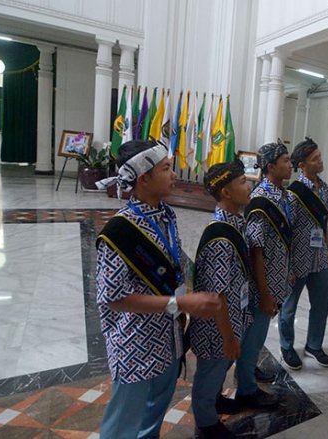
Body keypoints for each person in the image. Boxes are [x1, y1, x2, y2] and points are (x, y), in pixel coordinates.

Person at [95, 140, 221, 438]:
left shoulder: (166, 214)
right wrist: (181, 304)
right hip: (135, 344)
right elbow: (114, 298)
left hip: (168, 337)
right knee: (124, 422)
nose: (174, 173)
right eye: (166, 168)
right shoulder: (119, 231)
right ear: (144, 179)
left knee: (154, 413)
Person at [189, 160, 254, 439]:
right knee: (210, 372)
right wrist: (229, 337)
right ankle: (205, 422)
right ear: (226, 192)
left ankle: (215, 399)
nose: (249, 185)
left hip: (231, 319)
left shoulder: (236, 223)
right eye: (242, 182)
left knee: (219, 368)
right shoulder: (220, 238)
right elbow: (218, 295)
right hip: (218, 326)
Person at [234, 140, 293, 408]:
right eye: (285, 161)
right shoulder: (260, 200)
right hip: (263, 283)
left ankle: (249, 370)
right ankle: (246, 389)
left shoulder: (283, 194)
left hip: (278, 277)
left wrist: (288, 272)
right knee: (254, 335)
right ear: (271, 166)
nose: (290, 165)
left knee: (259, 333)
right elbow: (256, 251)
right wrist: (266, 292)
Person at [279, 137, 328, 369]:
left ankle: (314, 345)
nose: (320, 161)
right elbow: (286, 230)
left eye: (320, 156)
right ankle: (287, 347)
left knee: (322, 302)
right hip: (297, 258)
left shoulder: (325, 188)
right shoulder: (293, 194)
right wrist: (287, 264)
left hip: (319, 256)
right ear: (302, 165)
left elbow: (324, 220)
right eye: (315, 159)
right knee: (289, 307)